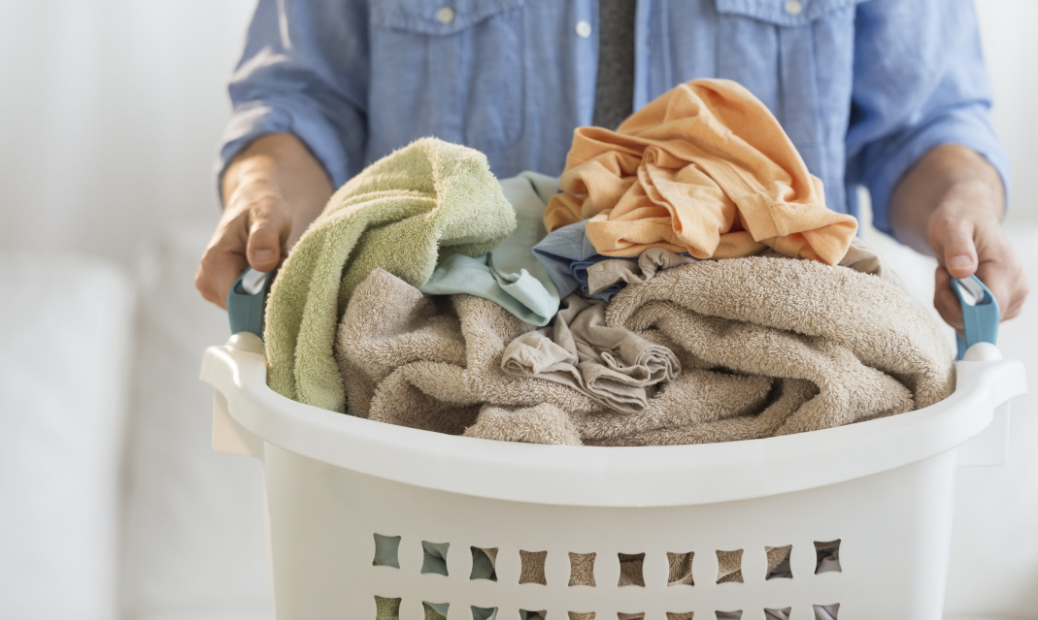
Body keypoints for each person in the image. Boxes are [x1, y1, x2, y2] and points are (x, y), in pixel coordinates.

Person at [195, 0, 1028, 331]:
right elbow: (303, 101)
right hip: (446, 414)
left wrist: (964, 203)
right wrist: (264, 192)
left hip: (768, 424)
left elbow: (922, 127)